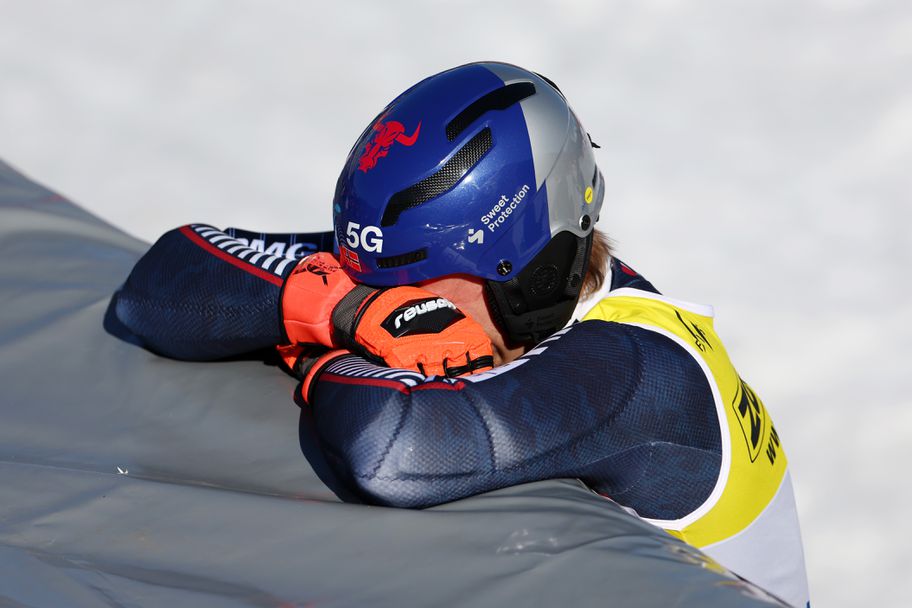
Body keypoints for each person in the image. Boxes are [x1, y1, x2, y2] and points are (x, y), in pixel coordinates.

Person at [108, 62, 809, 607]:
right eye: (376, 282)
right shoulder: (411, 266)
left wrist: (318, 353)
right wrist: (339, 310)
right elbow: (160, 286)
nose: (395, 303)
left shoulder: (637, 369)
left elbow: (394, 452)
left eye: (419, 287)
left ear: (526, 267)